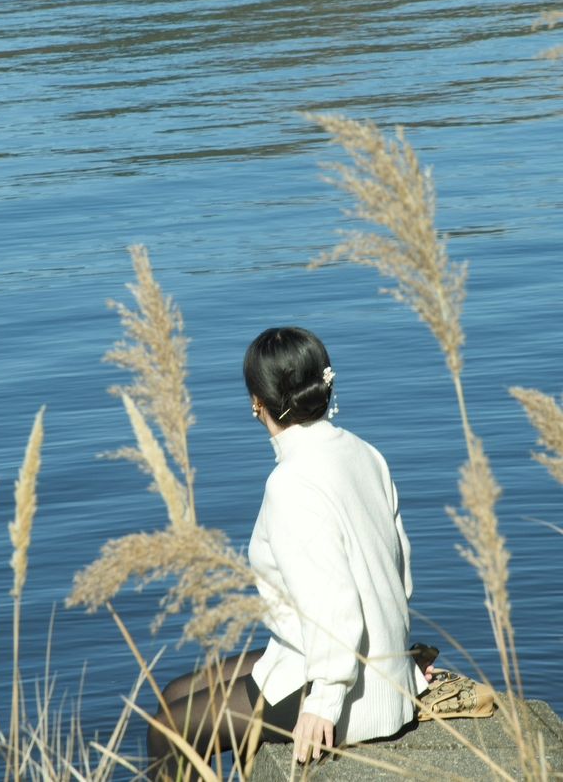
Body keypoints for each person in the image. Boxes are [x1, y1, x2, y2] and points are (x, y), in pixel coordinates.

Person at [147, 327, 428, 779]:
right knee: (177, 692)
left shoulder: (291, 483)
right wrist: (398, 650)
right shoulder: (365, 452)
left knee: (167, 730)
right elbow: (401, 569)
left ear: (257, 401)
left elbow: (333, 602)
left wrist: (324, 702)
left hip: (352, 693)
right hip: (382, 665)